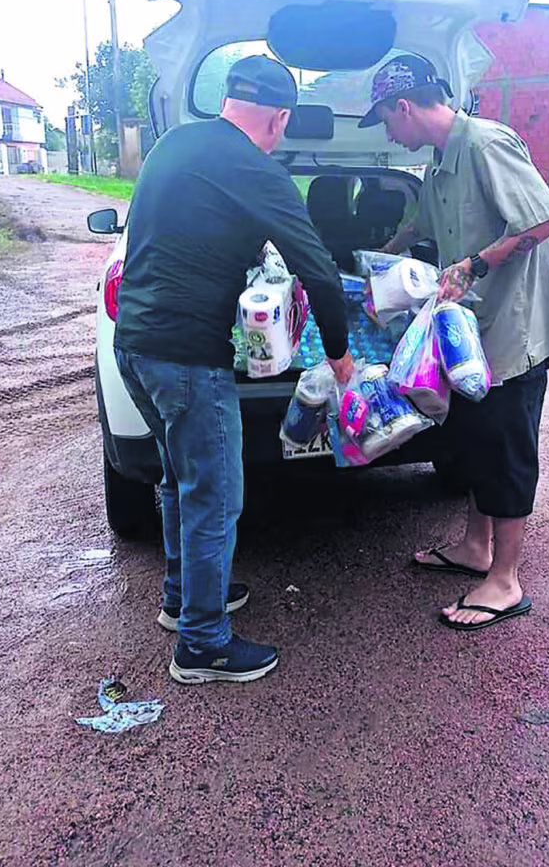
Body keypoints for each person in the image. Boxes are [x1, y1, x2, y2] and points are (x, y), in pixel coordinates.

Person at [114, 55, 355, 683]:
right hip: (189, 358)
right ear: (280, 118)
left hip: (134, 347)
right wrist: (339, 353)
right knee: (216, 498)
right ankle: (203, 644)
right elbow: (320, 271)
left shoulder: (175, 144)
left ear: (228, 100)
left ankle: (183, 598)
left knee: (178, 478)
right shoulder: (256, 169)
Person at [359, 53, 549, 632]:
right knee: (476, 438)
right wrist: (378, 264)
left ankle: (505, 581)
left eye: (385, 120)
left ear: (404, 106)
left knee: (506, 447)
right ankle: (476, 548)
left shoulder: (484, 143)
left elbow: (545, 221)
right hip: (471, 335)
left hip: (514, 329)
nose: (388, 133)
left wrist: (475, 264)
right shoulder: (439, 164)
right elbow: (419, 229)